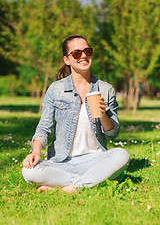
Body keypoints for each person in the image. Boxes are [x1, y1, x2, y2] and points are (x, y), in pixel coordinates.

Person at [22, 35, 130, 193]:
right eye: (77, 53)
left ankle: (68, 188)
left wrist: (102, 115)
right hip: (61, 162)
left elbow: (113, 133)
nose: (84, 56)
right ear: (67, 60)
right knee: (28, 171)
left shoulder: (105, 89)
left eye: (87, 51)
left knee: (122, 155)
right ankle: (93, 180)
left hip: (94, 158)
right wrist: (35, 152)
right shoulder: (55, 89)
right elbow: (44, 127)